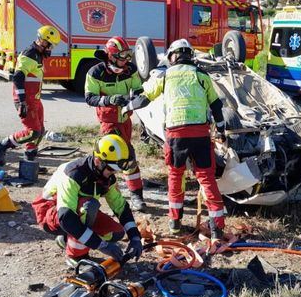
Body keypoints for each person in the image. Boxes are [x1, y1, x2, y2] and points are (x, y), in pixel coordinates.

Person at [127, 39, 227, 239]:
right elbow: (216, 106)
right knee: (206, 178)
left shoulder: (165, 76)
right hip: (200, 134)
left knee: (176, 176)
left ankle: (174, 225)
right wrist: (222, 131)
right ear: (190, 55)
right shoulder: (201, 75)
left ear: (172, 56)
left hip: (176, 136)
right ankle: (217, 229)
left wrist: (128, 106)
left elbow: (145, 97)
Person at [49, 134, 143, 267]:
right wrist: (100, 245)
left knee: (116, 232)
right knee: (89, 208)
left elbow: (121, 207)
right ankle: (76, 257)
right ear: (98, 161)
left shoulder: (104, 176)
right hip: (50, 210)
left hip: (75, 210)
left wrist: (134, 236)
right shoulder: (74, 173)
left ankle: (67, 238)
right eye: (111, 169)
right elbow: (66, 217)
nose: (113, 173)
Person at [84, 36, 146, 211]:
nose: (126, 60)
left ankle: (136, 195)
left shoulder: (130, 69)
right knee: (106, 159)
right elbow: (89, 98)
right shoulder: (95, 73)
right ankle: (99, 191)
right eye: (122, 56)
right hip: (108, 122)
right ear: (110, 56)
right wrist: (109, 99)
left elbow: (139, 90)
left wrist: (136, 99)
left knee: (128, 157)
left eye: (128, 56)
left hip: (125, 120)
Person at [0, 25, 60, 165]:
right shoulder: (30, 54)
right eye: (51, 45)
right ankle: (1, 145)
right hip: (26, 100)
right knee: (33, 132)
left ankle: (29, 155)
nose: (51, 49)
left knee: (40, 130)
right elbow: (18, 77)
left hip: (35, 99)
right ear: (44, 42)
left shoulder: (38, 55)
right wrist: (22, 102)